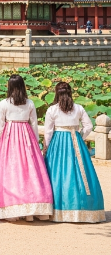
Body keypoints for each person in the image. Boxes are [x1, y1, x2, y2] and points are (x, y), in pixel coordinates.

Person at [0, 75, 53, 221]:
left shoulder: (4, 103)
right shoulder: (30, 103)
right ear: (23, 86)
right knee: (30, 170)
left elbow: (0, 124)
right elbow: (34, 124)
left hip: (10, 136)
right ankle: (32, 211)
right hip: (26, 135)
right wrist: (35, 142)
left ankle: (12, 208)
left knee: (11, 170)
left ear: (10, 87)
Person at [44, 82, 106, 223]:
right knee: (81, 174)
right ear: (70, 92)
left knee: (57, 173)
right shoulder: (78, 108)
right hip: (75, 140)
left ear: (56, 93)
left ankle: (58, 210)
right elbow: (88, 126)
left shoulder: (52, 110)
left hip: (57, 143)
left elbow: (48, 132)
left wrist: (46, 147)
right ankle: (83, 210)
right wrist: (79, 137)